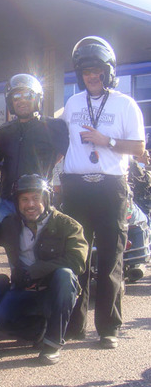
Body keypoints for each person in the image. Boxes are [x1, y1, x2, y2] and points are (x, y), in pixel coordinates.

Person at [61, 36, 145, 348]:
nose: (91, 76)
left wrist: (105, 141)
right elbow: (63, 144)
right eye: (86, 72)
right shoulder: (72, 103)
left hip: (111, 189)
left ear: (108, 72)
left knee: (111, 259)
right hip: (76, 188)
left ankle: (109, 328)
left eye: (97, 71)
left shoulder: (126, 105)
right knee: (77, 257)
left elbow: (138, 148)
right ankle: (74, 326)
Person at [0, 174, 88, 365]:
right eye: (24, 199)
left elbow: (77, 261)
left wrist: (38, 270)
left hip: (54, 292)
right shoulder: (10, 224)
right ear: (17, 202)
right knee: (0, 320)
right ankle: (40, 330)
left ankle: (53, 343)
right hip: (24, 289)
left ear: (46, 199)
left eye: (36, 198)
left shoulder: (68, 225)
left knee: (65, 275)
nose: (30, 204)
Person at [0, 74, 68, 221]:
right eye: (16, 97)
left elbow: (64, 151)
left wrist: (47, 165)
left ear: (37, 98)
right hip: (8, 200)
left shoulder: (54, 126)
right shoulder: (4, 130)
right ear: (10, 102)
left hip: (38, 200)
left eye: (27, 95)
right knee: (7, 235)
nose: (22, 100)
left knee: (40, 236)